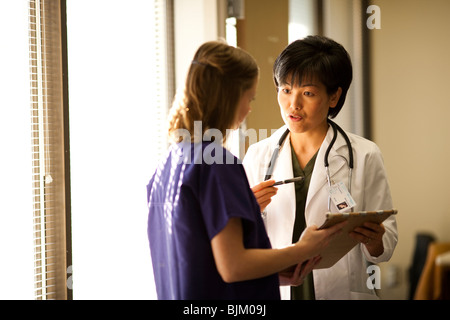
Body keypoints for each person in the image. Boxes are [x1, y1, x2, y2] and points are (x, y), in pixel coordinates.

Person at [146, 40, 346, 300]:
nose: (249, 108)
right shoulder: (217, 163)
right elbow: (233, 267)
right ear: (229, 96)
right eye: (248, 97)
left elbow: (204, 262)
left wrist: (275, 273)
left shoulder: (169, 164)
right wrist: (303, 249)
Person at [243, 35, 398, 300]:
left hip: (340, 291)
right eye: (286, 89)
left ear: (334, 96)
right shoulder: (258, 156)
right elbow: (237, 245)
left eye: (308, 93)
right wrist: (249, 213)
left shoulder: (364, 155)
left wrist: (374, 240)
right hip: (277, 289)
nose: (294, 104)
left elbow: (386, 244)